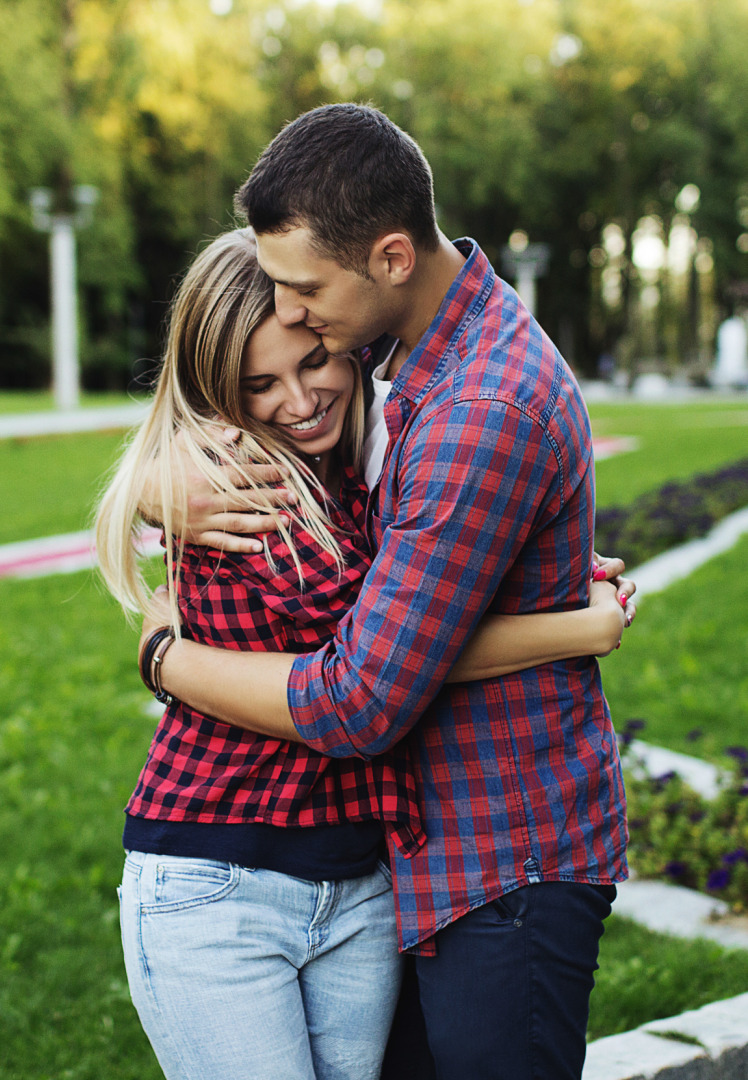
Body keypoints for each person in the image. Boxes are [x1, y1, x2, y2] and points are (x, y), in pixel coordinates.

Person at [98, 228, 630, 1080]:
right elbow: (376, 672)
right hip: (224, 875)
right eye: (258, 385)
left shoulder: (350, 476)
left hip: (355, 883)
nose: (299, 400)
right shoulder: (253, 491)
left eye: (314, 362)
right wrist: (577, 625)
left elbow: (412, 611)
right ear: (219, 396)